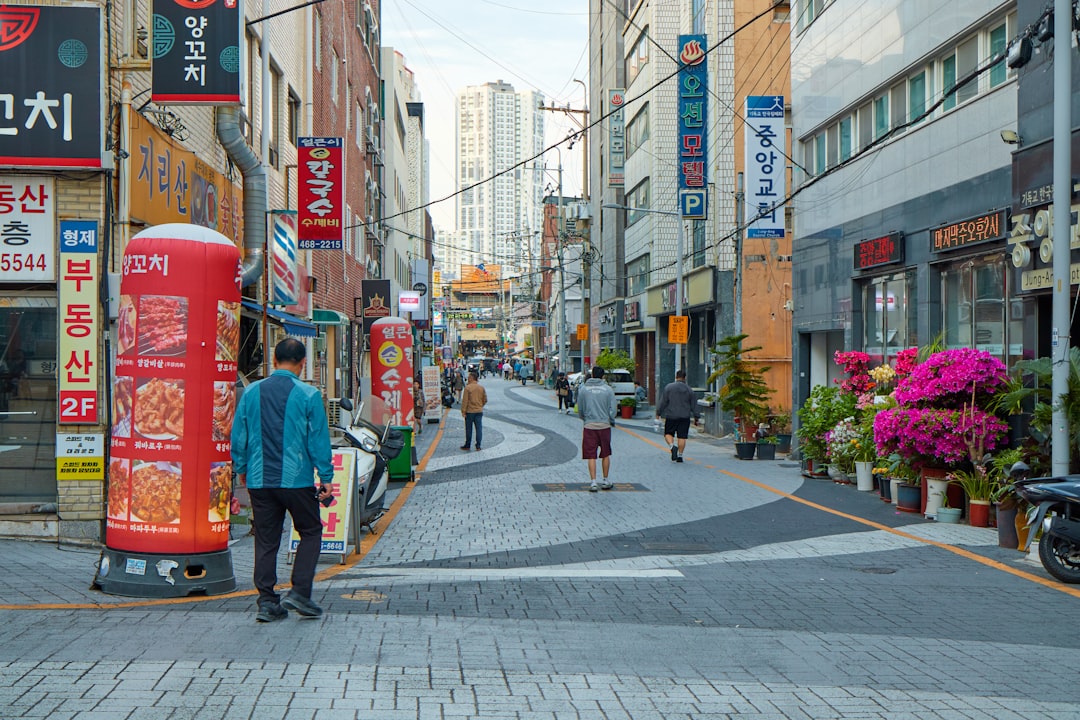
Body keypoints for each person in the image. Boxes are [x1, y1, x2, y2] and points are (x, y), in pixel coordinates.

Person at [231, 338, 334, 622]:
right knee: (310, 531)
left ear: (274, 361)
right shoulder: (309, 395)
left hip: (258, 479)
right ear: (303, 364)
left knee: (266, 540)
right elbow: (318, 440)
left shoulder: (251, 392)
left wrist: (241, 466)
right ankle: (300, 591)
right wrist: (326, 476)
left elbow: (239, 435)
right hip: (296, 479)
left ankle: (267, 602)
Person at [577, 365, 616, 492]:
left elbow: (580, 409)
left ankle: (593, 482)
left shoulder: (584, 389)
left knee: (591, 455)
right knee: (605, 453)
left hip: (589, 426)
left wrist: (585, 419)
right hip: (604, 425)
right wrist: (610, 420)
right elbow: (613, 409)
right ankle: (605, 480)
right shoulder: (608, 390)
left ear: (592, 375)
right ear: (603, 376)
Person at [656, 369, 701, 463]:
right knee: (682, 436)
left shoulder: (669, 387)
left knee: (668, 433)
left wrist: (658, 412)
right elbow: (694, 405)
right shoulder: (689, 390)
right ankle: (680, 456)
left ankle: (672, 447)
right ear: (685, 378)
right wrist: (697, 417)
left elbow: (663, 402)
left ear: (676, 377)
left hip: (671, 415)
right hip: (685, 416)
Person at [459, 370, 487, 450]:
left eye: (468, 378)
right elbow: (485, 399)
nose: (468, 379)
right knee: (479, 428)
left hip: (470, 411)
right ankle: (478, 445)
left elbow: (465, 401)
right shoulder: (481, 388)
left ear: (471, 378)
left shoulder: (468, 388)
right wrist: (481, 405)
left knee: (469, 428)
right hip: (479, 411)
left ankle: (467, 445)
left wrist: (463, 411)